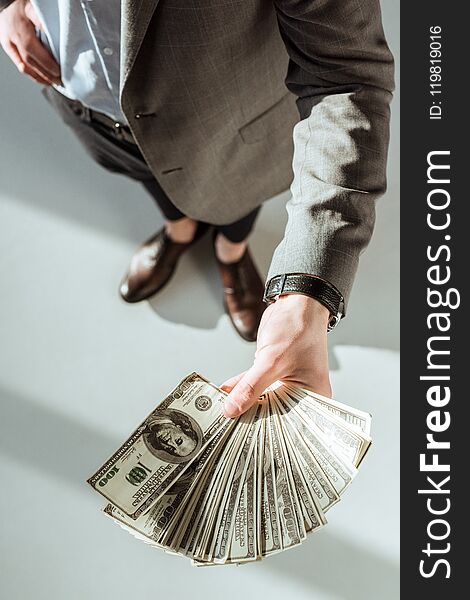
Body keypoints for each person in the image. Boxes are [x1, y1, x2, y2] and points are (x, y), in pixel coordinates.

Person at [0, 0, 395, 419]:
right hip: (86, 101)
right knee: (153, 179)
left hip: (222, 127)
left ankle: (231, 251)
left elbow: (345, 75)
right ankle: (180, 231)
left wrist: (307, 293)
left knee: (234, 198)